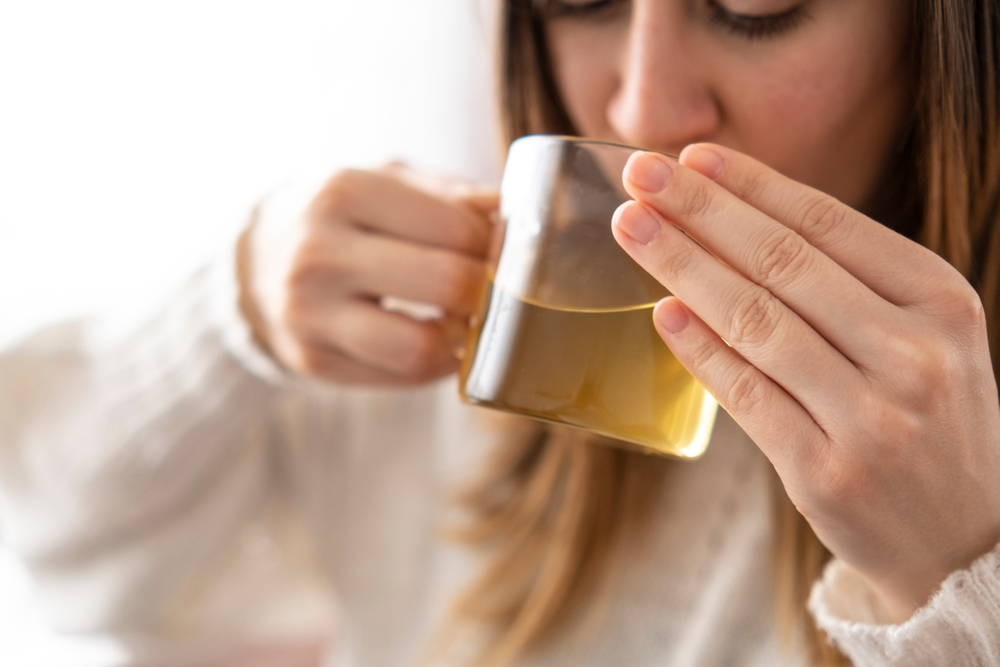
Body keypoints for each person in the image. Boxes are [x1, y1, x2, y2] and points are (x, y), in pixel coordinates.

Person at [1, 0, 998, 665]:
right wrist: (229, 320)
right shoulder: (448, 350)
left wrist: (960, 585)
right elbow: (66, 561)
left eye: (751, 4)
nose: (641, 102)